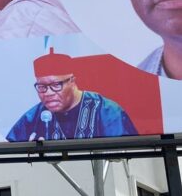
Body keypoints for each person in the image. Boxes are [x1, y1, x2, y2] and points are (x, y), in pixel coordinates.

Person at [7, 48, 138, 141]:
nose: (48, 93)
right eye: (42, 87)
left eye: (56, 85)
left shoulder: (106, 111)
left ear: (72, 82)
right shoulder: (32, 117)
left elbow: (123, 151)